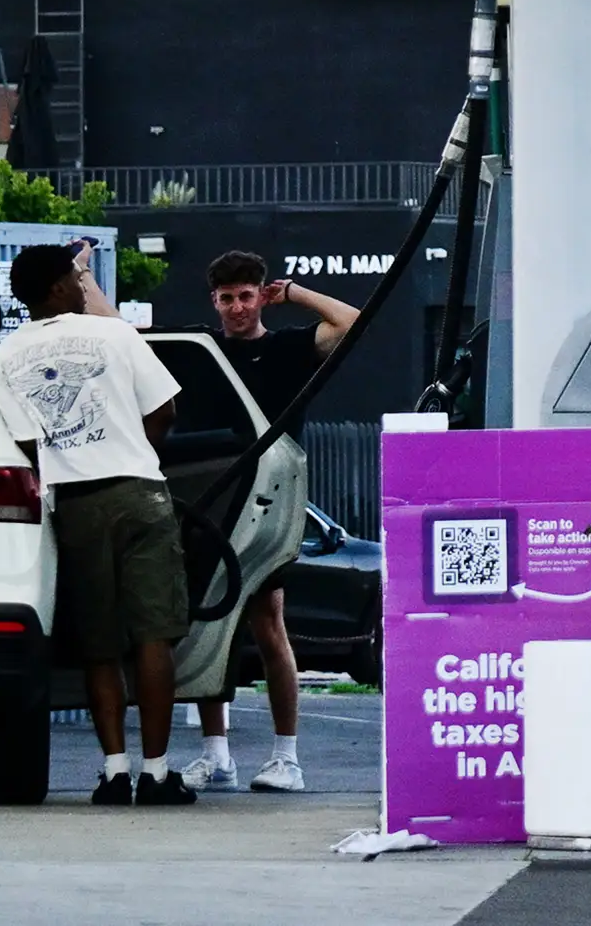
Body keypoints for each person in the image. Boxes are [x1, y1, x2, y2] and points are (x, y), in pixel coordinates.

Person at [0, 240, 193, 807]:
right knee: (153, 635)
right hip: (139, 494)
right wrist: (131, 454)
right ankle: (156, 774)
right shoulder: (117, 335)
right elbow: (165, 410)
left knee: (100, 643)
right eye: (76, 280)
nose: (84, 288)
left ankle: (114, 771)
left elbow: (24, 445)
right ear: (56, 286)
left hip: (72, 505)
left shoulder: (0, 361)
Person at [180, 249, 356, 794]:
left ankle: (287, 757)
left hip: (267, 503)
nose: (236, 307)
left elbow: (350, 323)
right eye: (227, 297)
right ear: (215, 301)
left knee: (268, 622)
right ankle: (216, 754)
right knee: (207, 622)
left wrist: (296, 292)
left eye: (246, 295)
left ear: (262, 296)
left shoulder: (289, 348)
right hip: (212, 503)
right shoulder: (202, 355)